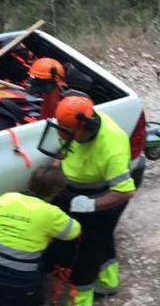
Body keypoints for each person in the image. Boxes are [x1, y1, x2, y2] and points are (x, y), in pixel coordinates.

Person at [52, 95, 144, 306]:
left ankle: (80, 299)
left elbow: (124, 192)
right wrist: (55, 168)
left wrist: (91, 205)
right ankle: (108, 283)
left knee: (89, 247)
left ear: (86, 128)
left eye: (66, 132)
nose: (61, 135)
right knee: (102, 237)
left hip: (106, 195)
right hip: (81, 189)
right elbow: (65, 149)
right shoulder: (72, 123)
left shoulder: (111, 147)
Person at [0, 164, 81, 306]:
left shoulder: (5, 199)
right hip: (22, 281)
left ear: (29, 182)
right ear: (56, 193)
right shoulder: (51, 213)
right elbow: (74, 232)